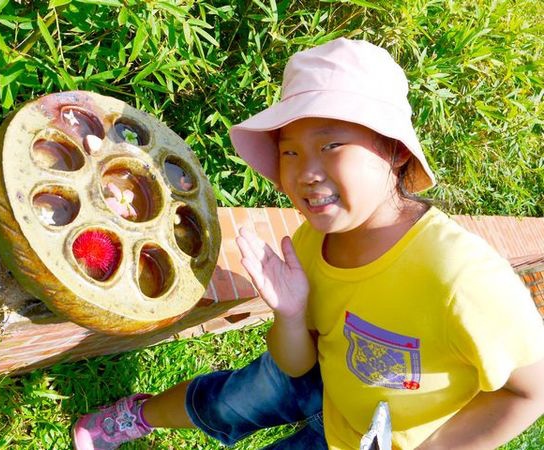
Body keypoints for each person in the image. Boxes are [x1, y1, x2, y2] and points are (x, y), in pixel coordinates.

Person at [72, 38, 544, 450]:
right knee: (231, 400)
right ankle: (137, 415)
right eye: (290, 151)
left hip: (378, 441)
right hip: (320, 377)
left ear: (395, 150)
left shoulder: (460, 278)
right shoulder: (314, 239)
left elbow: (533, 391)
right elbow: (295, 362)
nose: (305, 172)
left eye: (331, 145)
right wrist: (291, 314)